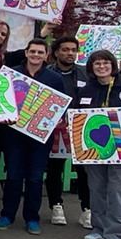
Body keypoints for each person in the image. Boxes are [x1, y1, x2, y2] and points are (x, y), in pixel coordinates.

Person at [75, 49, 121, 239]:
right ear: (91, 68)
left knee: (118, 191)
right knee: (96, 189)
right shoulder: (86, 91)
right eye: (97, 64)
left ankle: (115, 236)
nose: (101, 67)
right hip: (94, 150)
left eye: (105, 63)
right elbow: (77, 118)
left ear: (113, 65)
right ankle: (98, 229)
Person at [0, 39, 66, 234]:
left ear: (46, 55)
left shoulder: (54, 78)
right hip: (13, 134)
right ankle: (7, 214)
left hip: (40, 136)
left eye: (40, 52)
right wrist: (2, 116)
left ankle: (32, 218)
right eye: (32, 51)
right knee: (14, 175)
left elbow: (61, 107)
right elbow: (1, 101)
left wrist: (58, 120)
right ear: (26, 52)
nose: (36, 55)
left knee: (35, 178)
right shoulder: (11, 74)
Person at [47, 35, 90, 228]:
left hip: (80, 127)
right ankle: (56, 205)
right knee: (55, 169)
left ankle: (87, 209)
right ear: (56, 52)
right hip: (54, 127)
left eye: (73, 50)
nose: (70, 53)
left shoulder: (85, 73)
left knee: (84, 170)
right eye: (65, 49)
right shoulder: (47, 72)